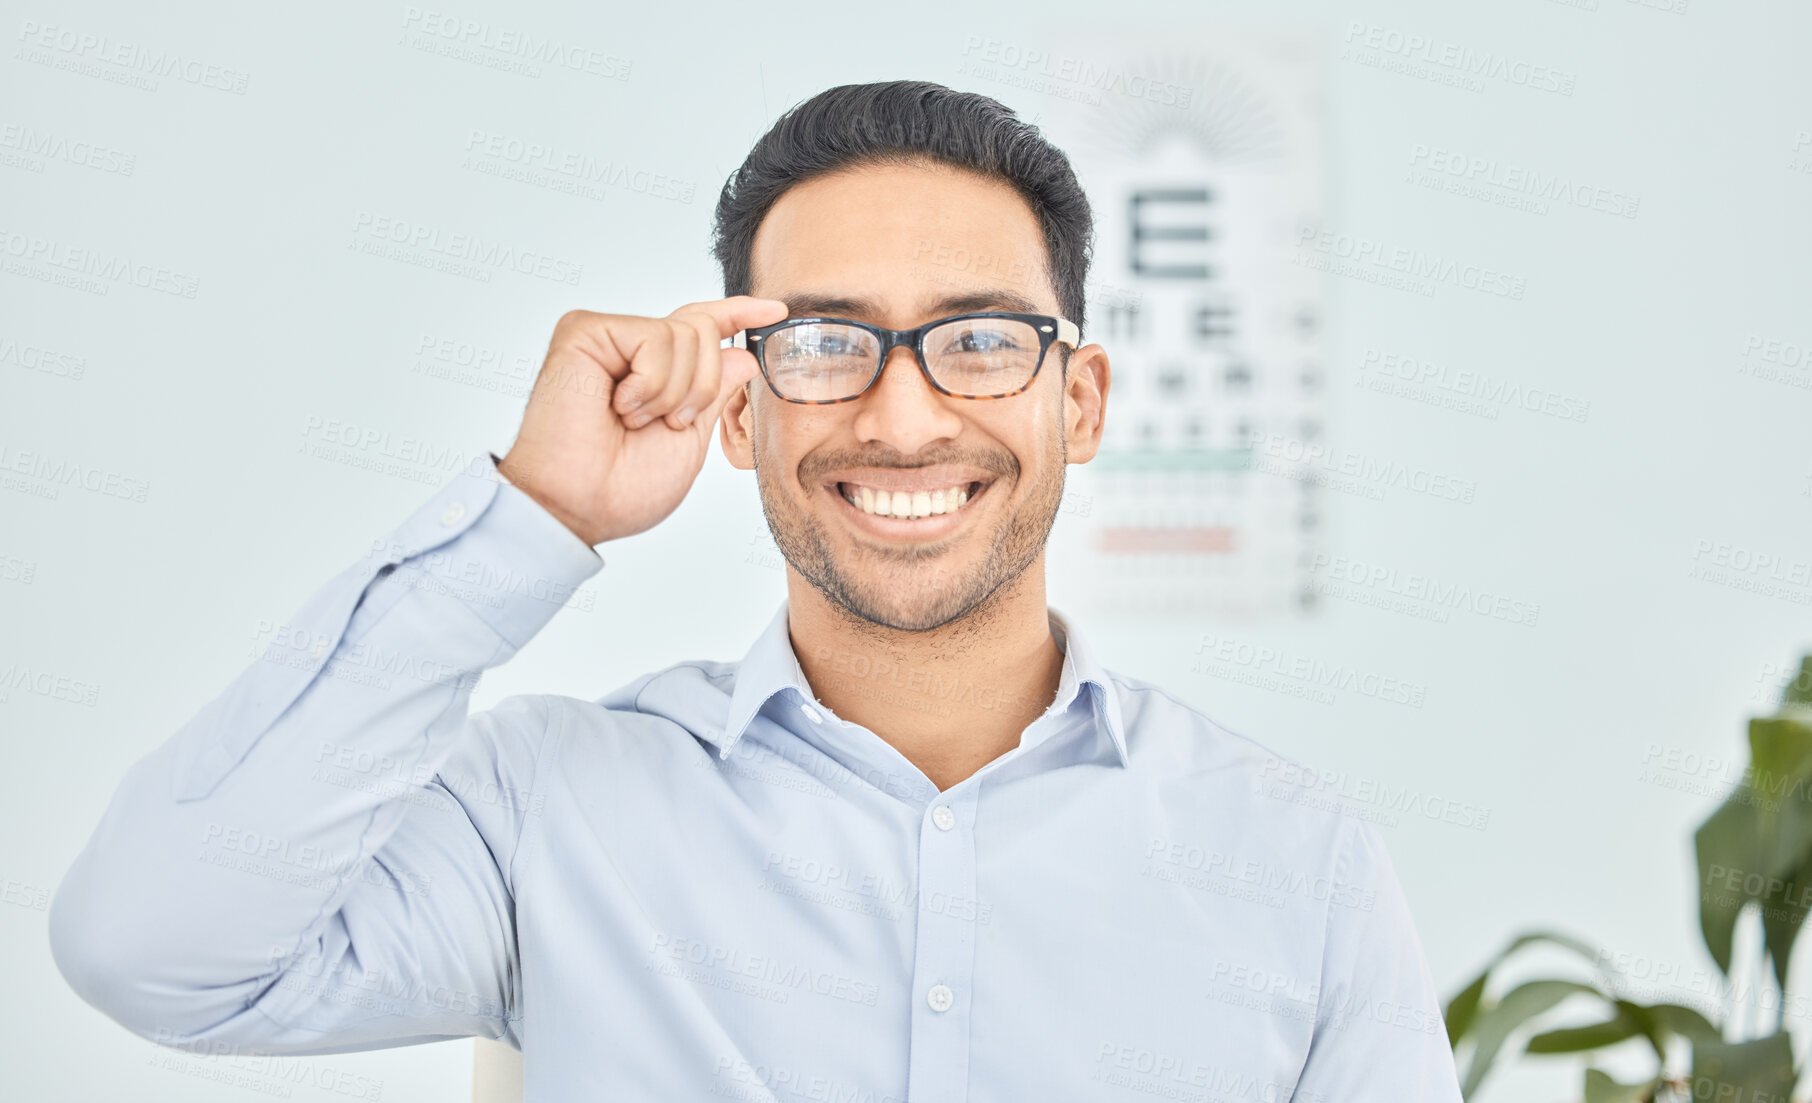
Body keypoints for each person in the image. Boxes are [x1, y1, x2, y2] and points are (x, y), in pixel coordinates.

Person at [49, 80, 1463, 1100]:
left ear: (1077, 400)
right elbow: (153, 951)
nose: (904, 421)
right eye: (827, 342)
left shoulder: (1297, 868)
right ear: (741, 413)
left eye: (977, 341)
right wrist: (533, 520)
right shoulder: (553, 805)